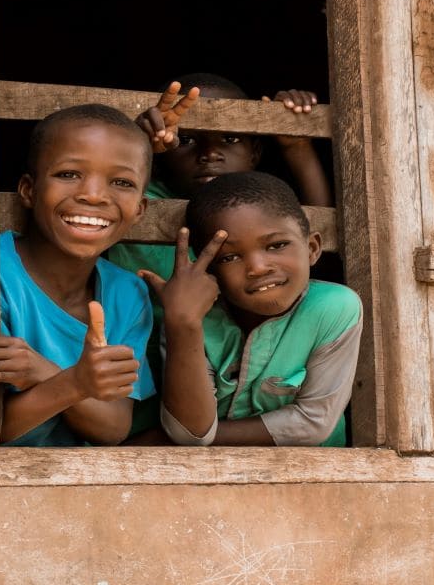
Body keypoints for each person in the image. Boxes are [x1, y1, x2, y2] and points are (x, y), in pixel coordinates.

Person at [110, 73, 329, 438]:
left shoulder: (265, 209)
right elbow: (111, 190)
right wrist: (139, 147)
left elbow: (317, 237)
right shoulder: (142, 199)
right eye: (189, 140)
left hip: (231, 384)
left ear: (256, 152)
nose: (210, 154)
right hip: (142, 381)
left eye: (230, 138)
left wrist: (297, 146)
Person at [0, 104, 155, 445]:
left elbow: (113, 428)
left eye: (121, 182)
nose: (93, 195)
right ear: (28, 191)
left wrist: (46, 373)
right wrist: (77, 385)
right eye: (68, 174)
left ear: (139, 209)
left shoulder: (127, 294)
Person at [140, 171, 360, 446]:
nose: (257, 268)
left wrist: (172, 439)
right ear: (208, 269)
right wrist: (183, 322)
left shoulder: (334, 307)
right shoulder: (188, 317)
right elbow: (190, 432)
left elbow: (313, 423)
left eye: (277, 245)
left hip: (313, 476)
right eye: (229, 257)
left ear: (312, 248)